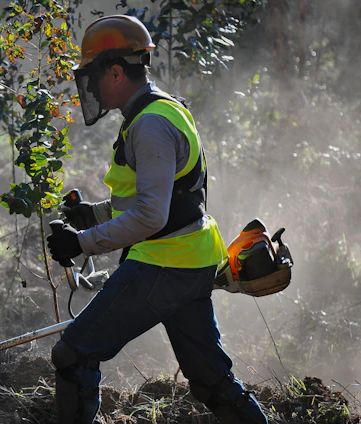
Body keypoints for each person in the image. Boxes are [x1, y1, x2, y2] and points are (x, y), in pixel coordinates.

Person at [46, 14, 268, 424]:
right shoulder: (161, 108)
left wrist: (82, 242)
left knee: (73, 354)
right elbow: (163, 197)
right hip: (189, 259)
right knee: (212, 383)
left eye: (93, 74)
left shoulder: (149, 125)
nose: (89, 86)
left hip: (164, 263)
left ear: (115, 70)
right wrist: (90, 215)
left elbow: (151, 215)